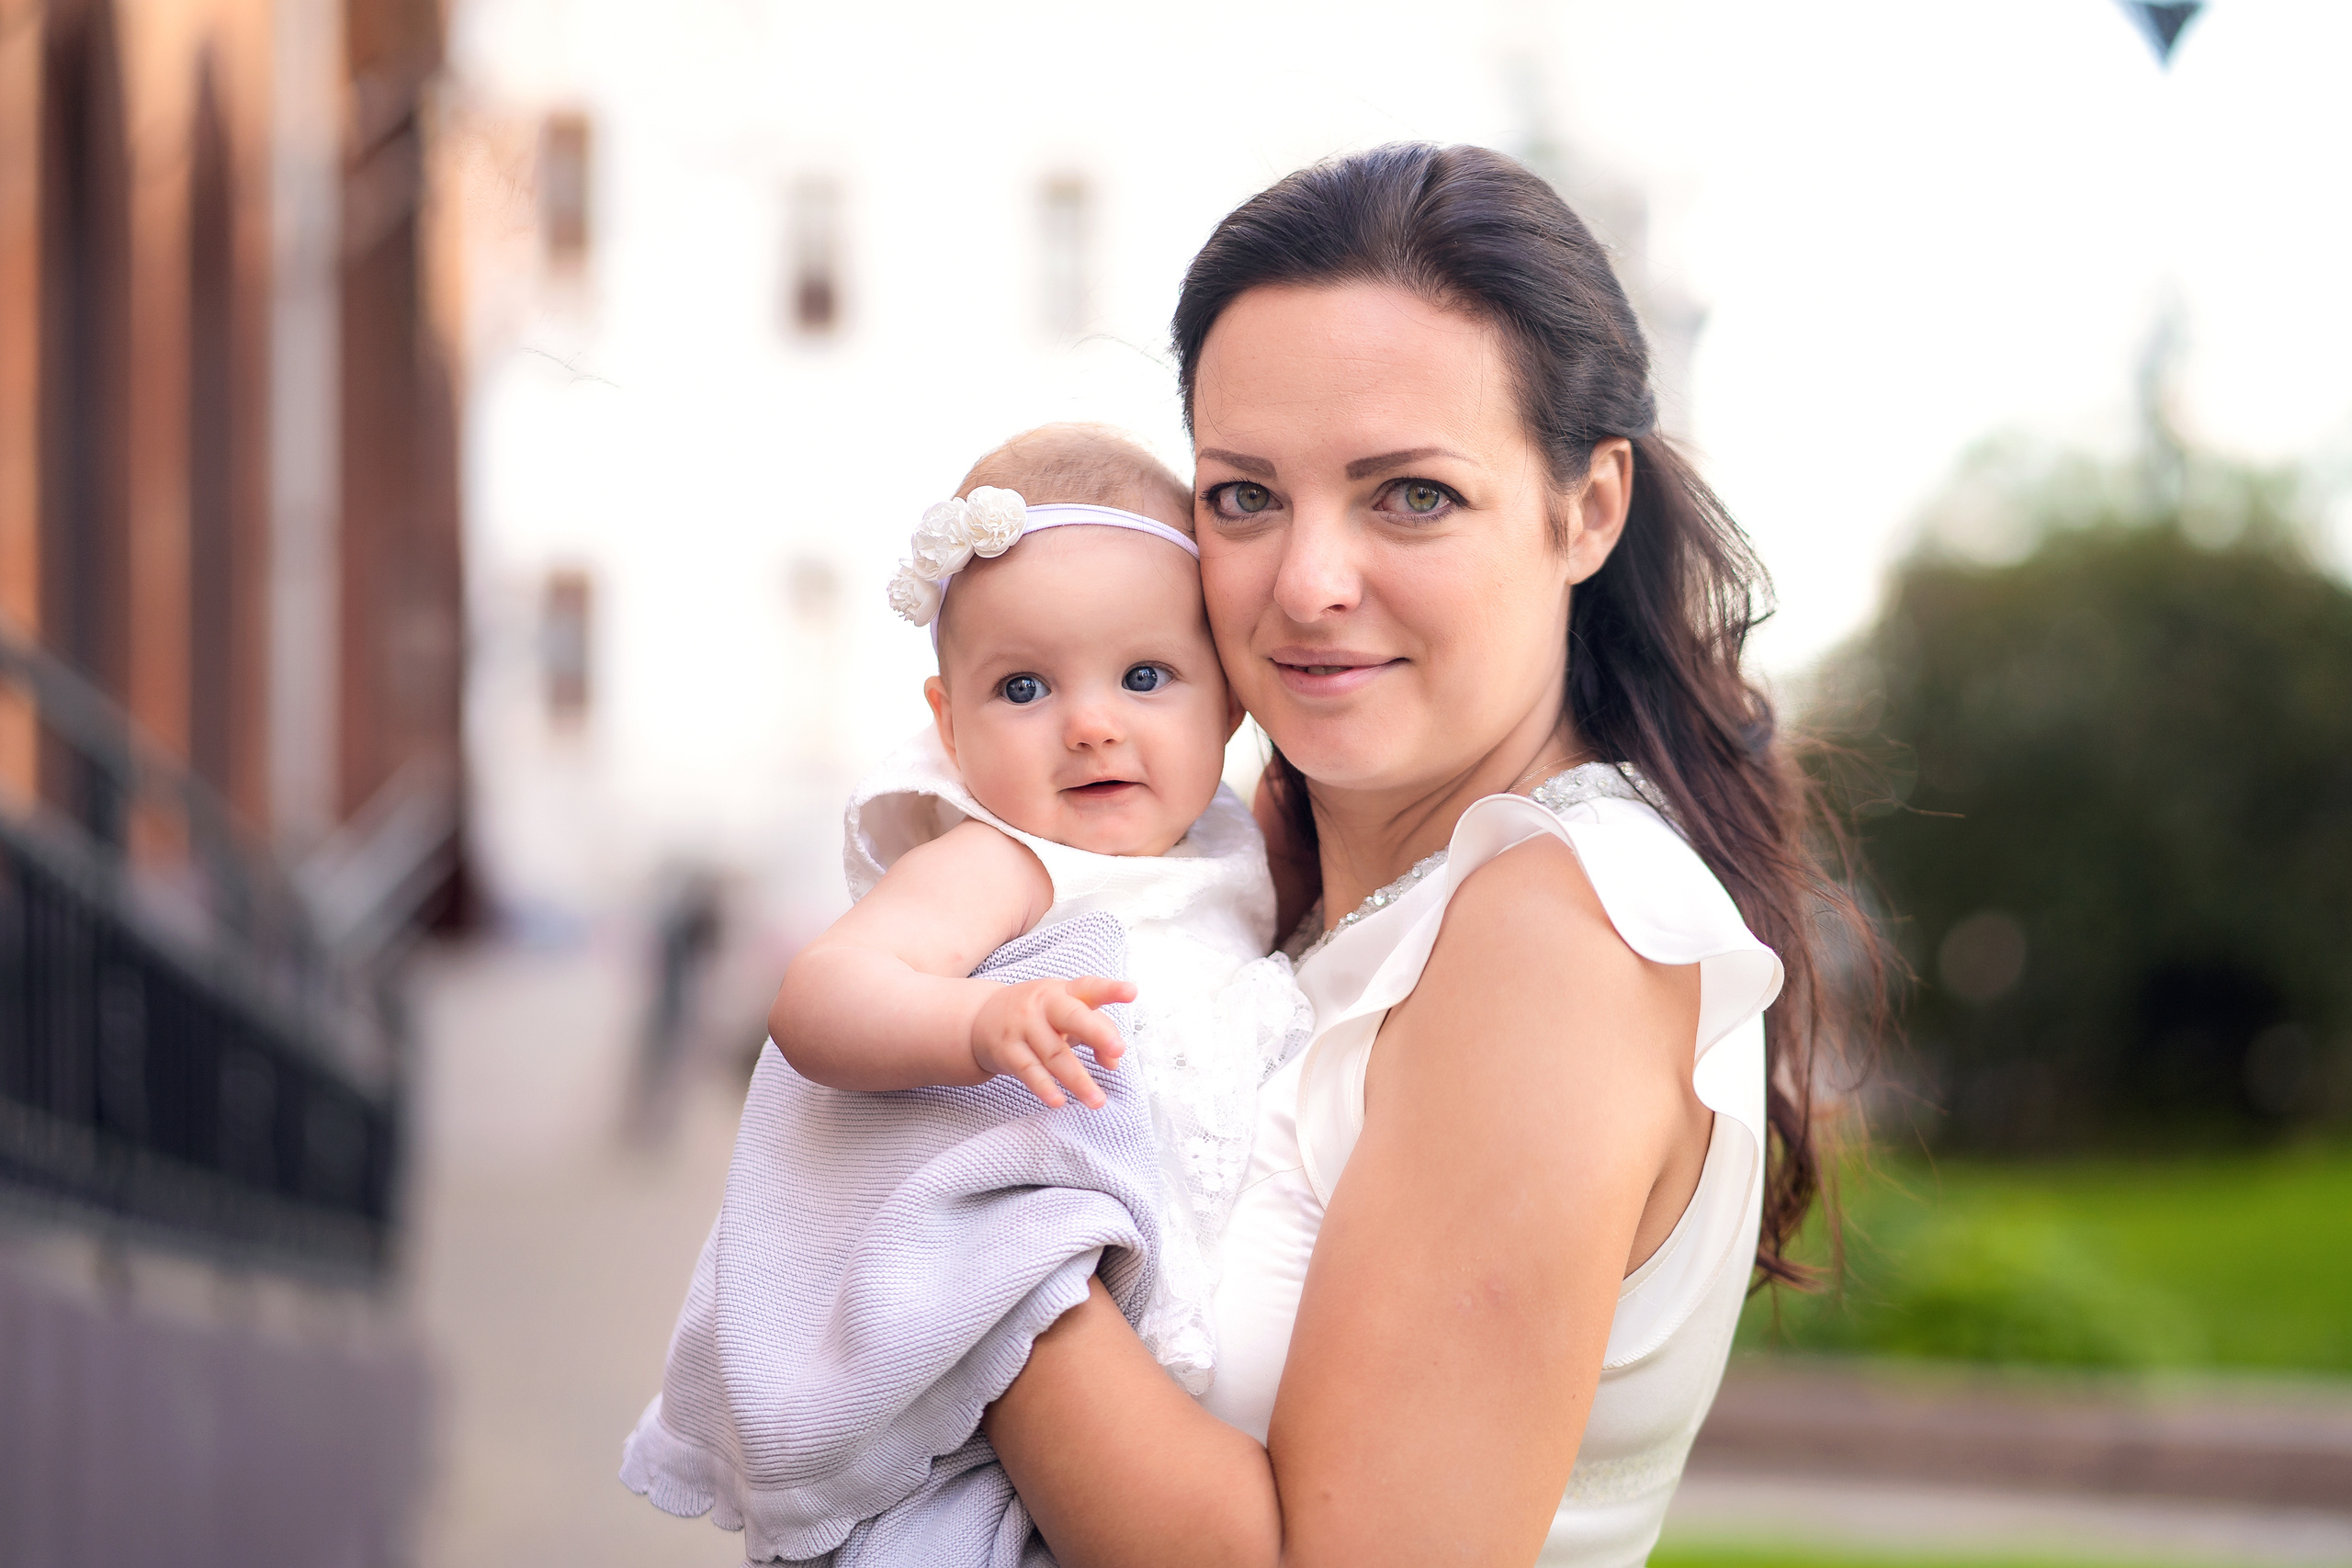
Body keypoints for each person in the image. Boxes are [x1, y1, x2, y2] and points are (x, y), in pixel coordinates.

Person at [979, 143, 1873, 1567]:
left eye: (1412, 495)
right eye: (1244, 495)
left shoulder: (1554, 938)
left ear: (1586, 508)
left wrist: (959, 1213)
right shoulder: (1285, 884)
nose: (1308, 580)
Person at [619, 426, 1309, 1562]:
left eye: (1145, 677)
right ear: (948, 724)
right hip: (980, 1407)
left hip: (1146, 1378)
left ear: (1227, 703)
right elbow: (822, 998)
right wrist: (976, 1025)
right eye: (1024, 686)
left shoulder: (1229, 859)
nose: (1091, 723)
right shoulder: (1005, 862)